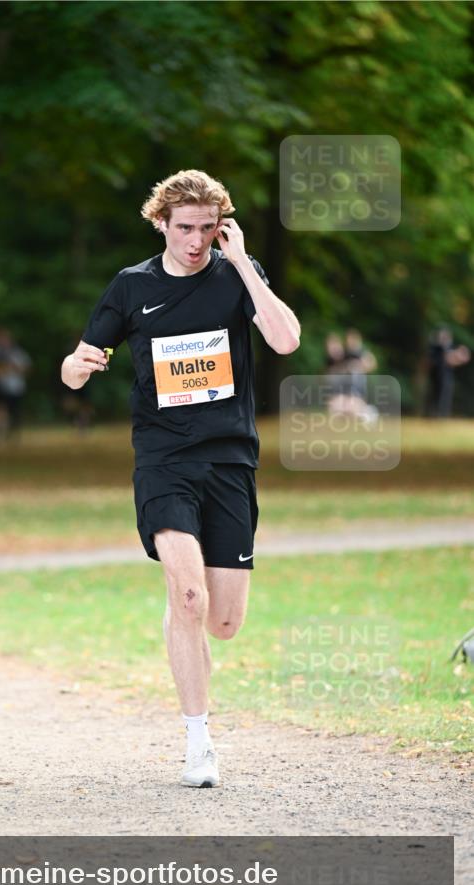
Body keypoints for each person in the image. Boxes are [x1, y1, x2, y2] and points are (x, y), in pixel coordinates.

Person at [60, 169, 300, 788]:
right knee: (189, 595)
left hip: (230, 461)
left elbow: (286, 339)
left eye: (208, 229)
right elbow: (74, 365)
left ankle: (181, 615)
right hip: (164, 458)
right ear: (160, 224)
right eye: (185, 228)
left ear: (223, 228)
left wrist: (244, 261)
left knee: (222, 621)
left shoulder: (235, 276)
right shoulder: (132, 286)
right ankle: (199, 742)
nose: (196, 241)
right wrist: (77, 367)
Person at [426, 326, 471, 418]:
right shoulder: (436, 347)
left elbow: (454, 360)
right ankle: (433, 413)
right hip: (435, 376)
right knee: (435, 394)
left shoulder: (451, 347)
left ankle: (442, 414)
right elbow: (433, 360)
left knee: (445, 394)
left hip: (446, 375)